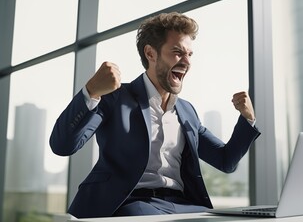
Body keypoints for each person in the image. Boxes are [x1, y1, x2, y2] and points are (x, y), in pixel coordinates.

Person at [50, 12, 261, 218]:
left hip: (182, 204)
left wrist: (248, 119)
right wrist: (91, 91)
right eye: (178, 52)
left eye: (190, 54)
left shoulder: (187, 111)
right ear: (150, 53)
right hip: (131, 202)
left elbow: (225, 161)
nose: (187, 62)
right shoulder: (115, 98)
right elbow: (63, 145)